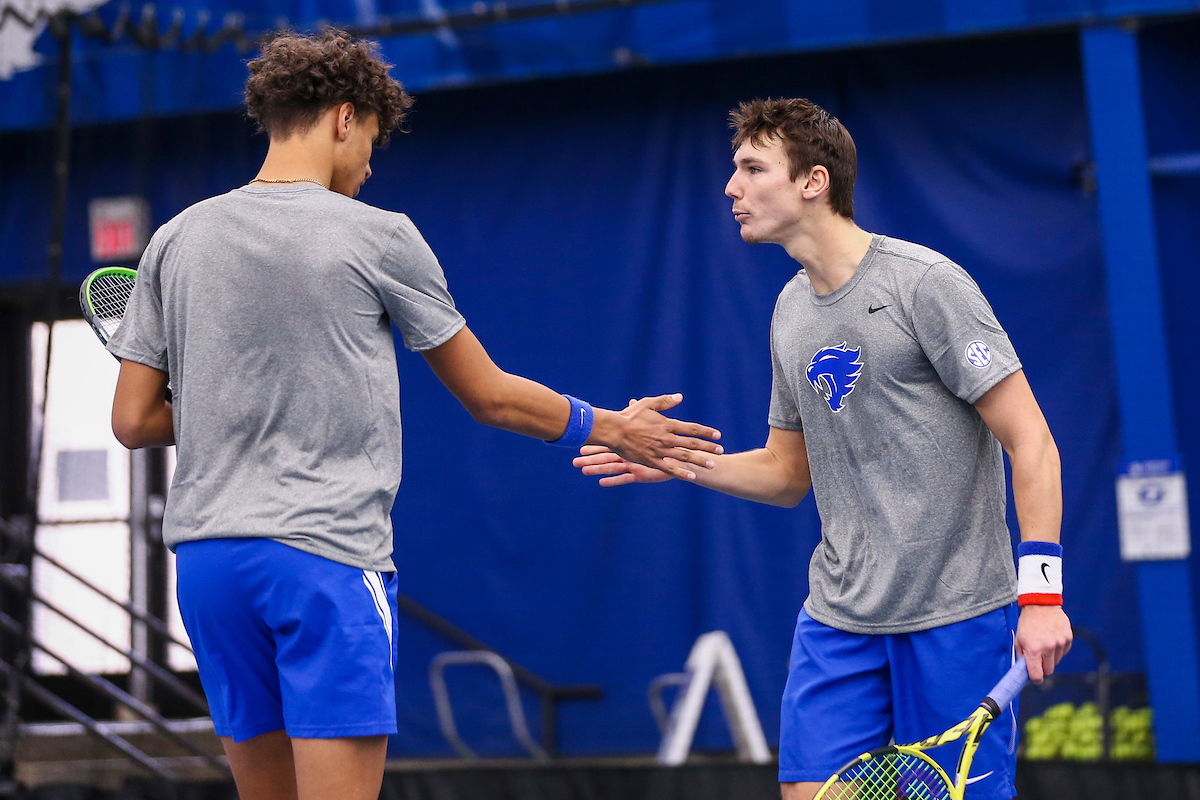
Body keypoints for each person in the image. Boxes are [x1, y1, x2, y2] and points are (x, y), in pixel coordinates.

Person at [106, 30, 722, 800]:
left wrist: (225, 402)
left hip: (207, 569)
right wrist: (611, 425)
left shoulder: (174, 240)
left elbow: (134, 422)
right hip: (322, 558)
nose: (369, 165)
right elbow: (489, 395)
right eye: (372, 139)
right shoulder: (380, 235)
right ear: (344, 117)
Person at [574, 97, 1072, 800]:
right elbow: (786, 474)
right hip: (840, 617)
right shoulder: (790, 309)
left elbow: (1032, 441)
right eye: (735, 169)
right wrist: (676, 459)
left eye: (753, 168)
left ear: (814, 181)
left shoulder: (925, 284)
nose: (732, 187)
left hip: (956, 614)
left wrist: (1041, 595)